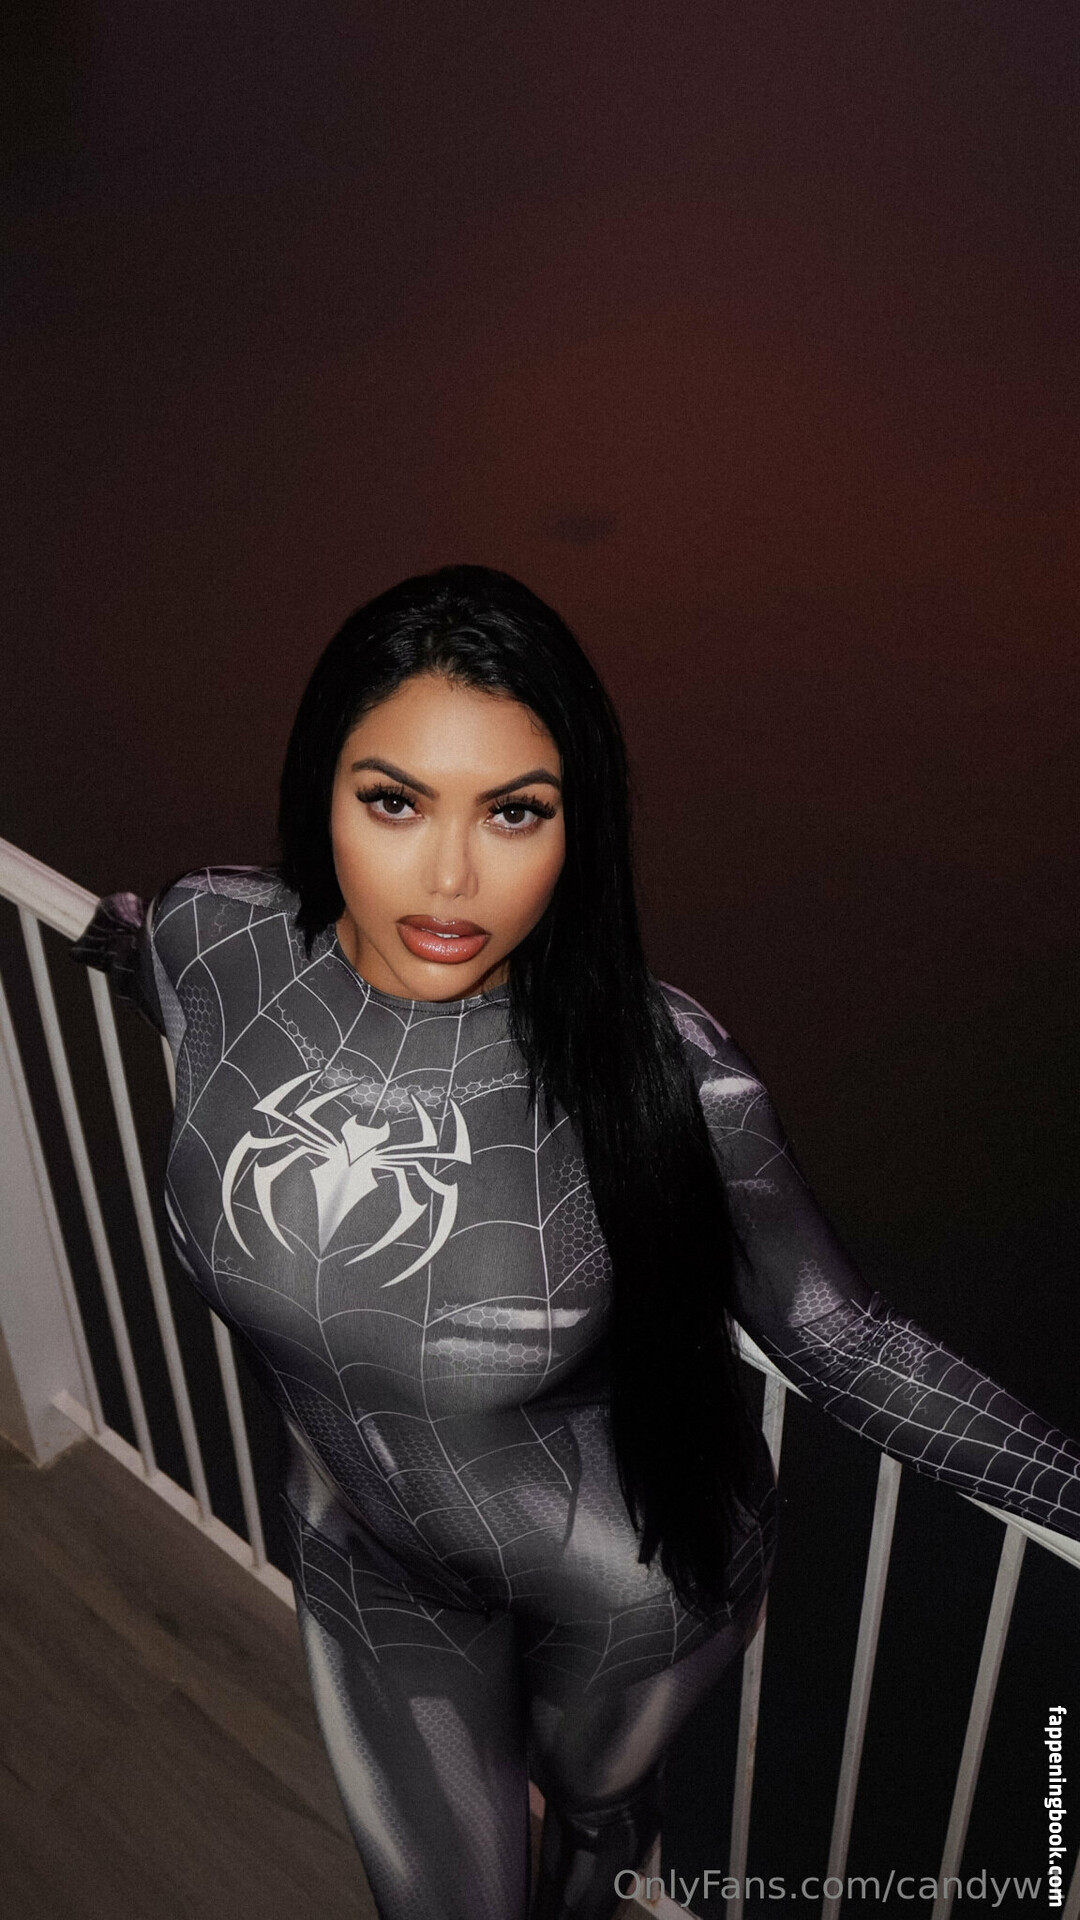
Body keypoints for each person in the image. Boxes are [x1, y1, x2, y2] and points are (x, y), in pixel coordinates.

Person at [71, 564, 1080, 1920]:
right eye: (394, 801)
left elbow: (847, 1344)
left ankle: (606, 1853)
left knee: (592, 1817)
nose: (450, 878)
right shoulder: (213, 938)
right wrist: (113, 940)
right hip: (365, 1555)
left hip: (635, 1578)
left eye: (515, 812)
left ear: (575, 826)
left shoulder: (667, 1070)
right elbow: (157, 958)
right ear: (322, 792)